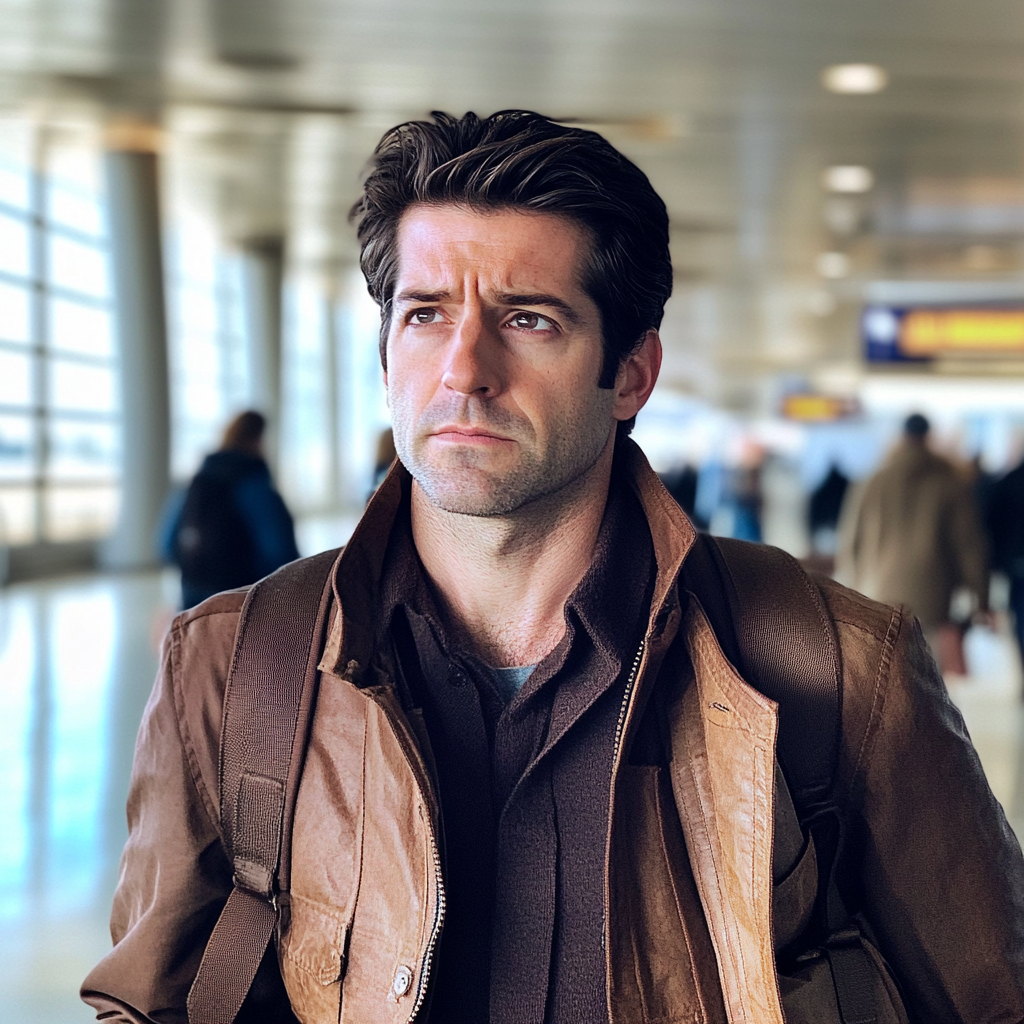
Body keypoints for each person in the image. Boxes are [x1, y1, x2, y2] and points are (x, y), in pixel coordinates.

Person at [84, 112, 1024, 1024]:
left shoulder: (841, 669)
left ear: (631, 375)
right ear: (384, 358)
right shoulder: (232, 666)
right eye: (425, 314)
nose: (463, 368)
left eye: (528, 319)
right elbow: (151, 1000)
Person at [837, 413, 990, 663]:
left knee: (884, 677)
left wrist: (852, 595)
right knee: (929, 680)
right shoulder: (950, 484)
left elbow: (850, 542)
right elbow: (969, 547)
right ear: (928, 438)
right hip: (933, 597)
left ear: (902, 437)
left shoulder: (873, 481)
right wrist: (980, 596)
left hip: (877, 594)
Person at [161, 410, 300, 608]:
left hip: (193, 601)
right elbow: (280, 551)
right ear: (256, 439)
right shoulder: (254, 483)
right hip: (242, 602)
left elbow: (165, 545)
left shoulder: (196, 481)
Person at [988, 453, 1024, 679]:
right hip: (1015, 563)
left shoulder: (1009, 481)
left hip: (1016, 565)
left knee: (1021, 621)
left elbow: (993, 525)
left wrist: (998, 562)